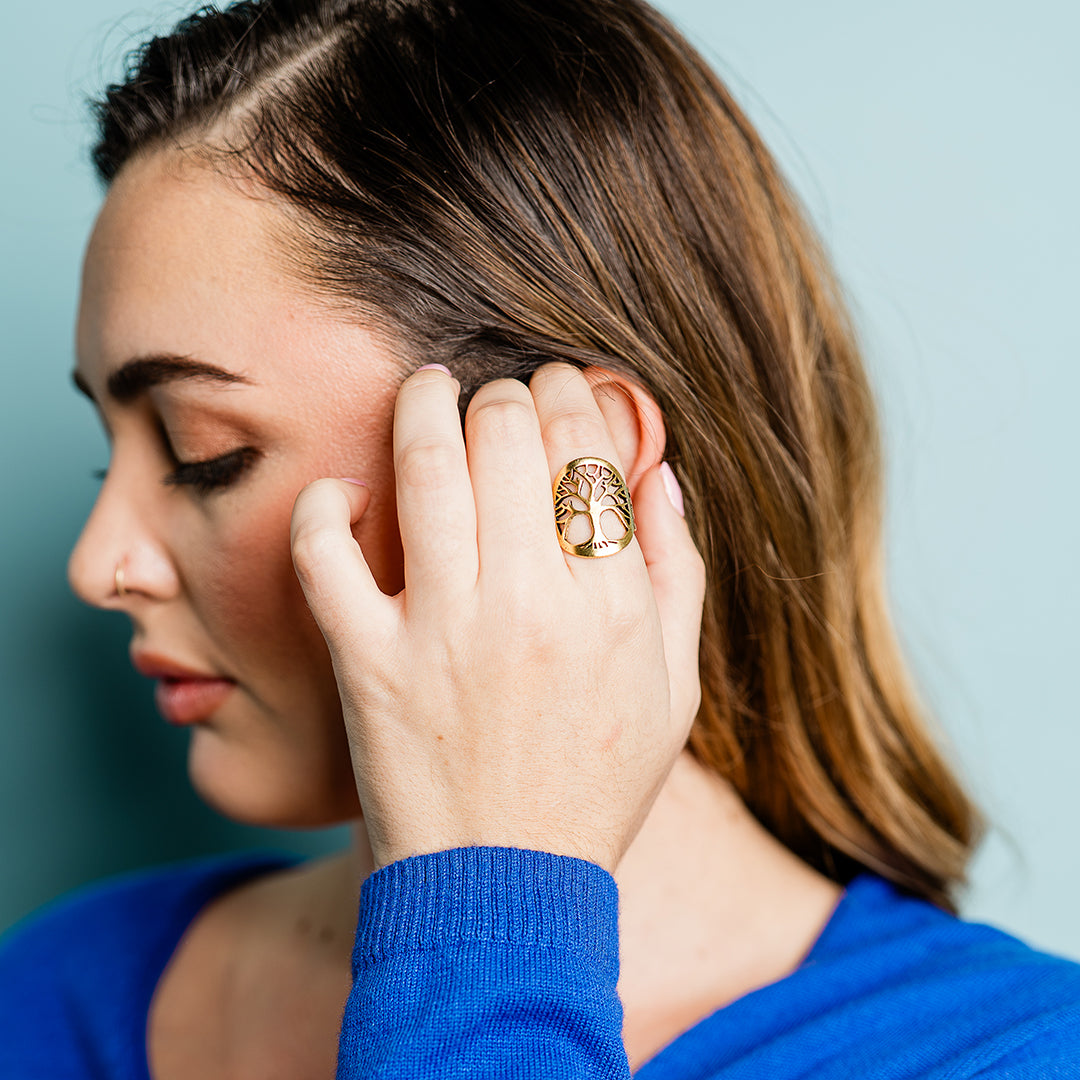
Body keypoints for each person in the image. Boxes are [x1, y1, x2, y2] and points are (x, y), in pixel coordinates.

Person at [1, 0, 1077, 1076]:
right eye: (113, 453)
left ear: (574, 466)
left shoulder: (1014, 1051)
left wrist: (488, 911)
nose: (98, 567)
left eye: (201, 454)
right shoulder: (53, 996)